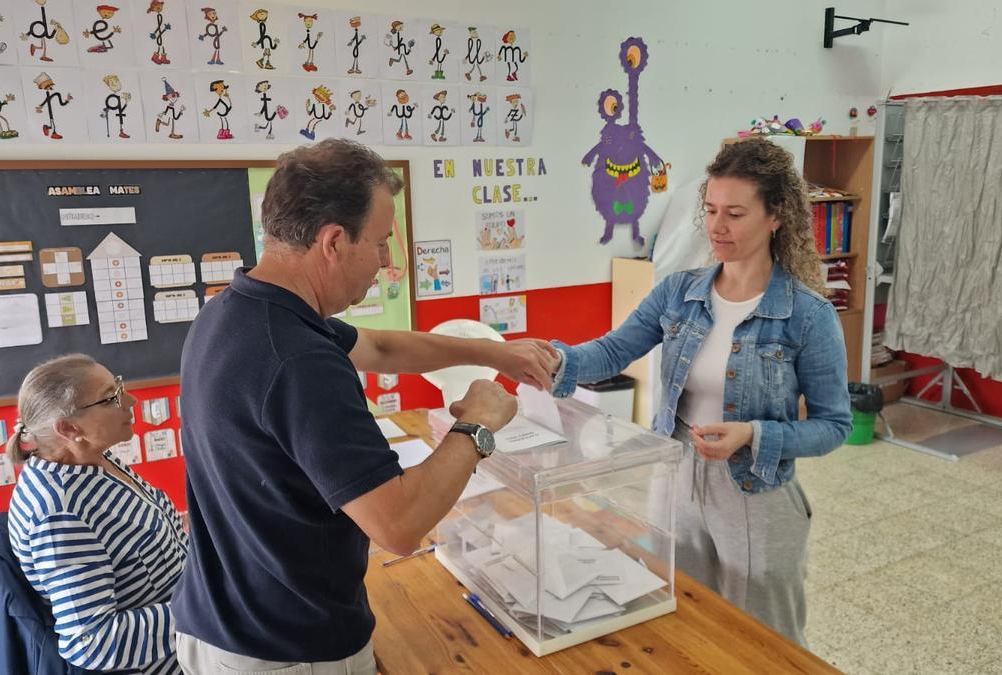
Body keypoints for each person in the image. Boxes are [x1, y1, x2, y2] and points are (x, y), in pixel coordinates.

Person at [173, 138, 558, 674]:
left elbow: (379, 347)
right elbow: (398, 526)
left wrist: (493, 352)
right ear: (333, 241)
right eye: (379, 243)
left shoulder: (236, 311)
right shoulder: (298, 360)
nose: (387, 261)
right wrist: (477, 425)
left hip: (221, 620)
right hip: (287, 649)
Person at [550, 138, 852, 646]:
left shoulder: (809, 315)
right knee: (684, 615)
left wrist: (754, 433)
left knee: (763, 635)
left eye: (735, 213)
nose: (716, 226)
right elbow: (609, 352)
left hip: (755, 487)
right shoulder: (679, 291)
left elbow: (834, 426)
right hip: (678, 473)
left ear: (776, 216)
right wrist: (551, 360)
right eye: (710, 210)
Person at [6, 354, 186, 674]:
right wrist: (207, 611)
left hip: (195, 613)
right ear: (69, 428)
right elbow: (92, 641)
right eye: (111, 397)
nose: (130, 399)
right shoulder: (58, 514)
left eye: (119, 386)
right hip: (172, 658)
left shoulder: (91, 460)